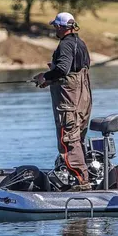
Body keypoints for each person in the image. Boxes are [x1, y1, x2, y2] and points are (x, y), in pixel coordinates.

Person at [33, 12, 92, 191]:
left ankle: (82, 181)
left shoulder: (65, 44)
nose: (54, 30)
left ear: (60, 27)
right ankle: (82, 176)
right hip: (84, 98)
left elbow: (63, 69)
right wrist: (52, 79)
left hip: (69, 101)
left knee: (68, 139)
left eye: (55, 27)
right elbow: (74, 70)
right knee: (78, 136)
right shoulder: (80, 43)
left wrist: (45, 76)